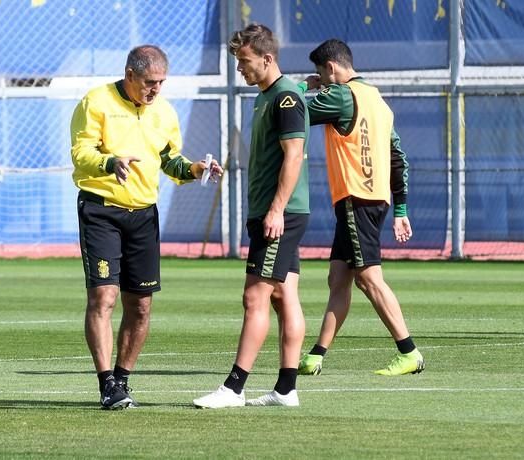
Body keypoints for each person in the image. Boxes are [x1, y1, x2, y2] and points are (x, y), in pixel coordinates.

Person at [71, 44, 223, 410]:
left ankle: (122, 381)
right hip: (101, 210)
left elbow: (169, 159)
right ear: (130, 75)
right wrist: (111, 162)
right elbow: (81, 153)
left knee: (140, 307)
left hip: (143, 215)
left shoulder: (165, 112)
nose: (156, 89)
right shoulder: (96, 102)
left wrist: (195, 170)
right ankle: (106, 383)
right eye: (150, 82)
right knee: (103, 297)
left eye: (161, 83)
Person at [192, 24, 310, 408]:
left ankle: (233, 388)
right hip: (272, 211)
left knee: (253, 296)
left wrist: (276, 210)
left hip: (280, 214)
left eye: (244, 61)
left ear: (267, 58)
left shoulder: (286, 98)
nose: (240, 68)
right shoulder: (265, 97)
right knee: (283, 296)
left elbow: (294, 156)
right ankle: (286, 390)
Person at [296, 39, 424, 376]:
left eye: (320, 75)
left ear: (331, 68)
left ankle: (408, 350)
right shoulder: (377, 101)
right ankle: (316, 355)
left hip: (357, 198)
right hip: (373, 199)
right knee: (339, 277)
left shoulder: (340, 94)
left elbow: (291, 114)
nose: (319, 81)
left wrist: (298, 86)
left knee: (368, 279)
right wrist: (400, 209)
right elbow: (398, 157)